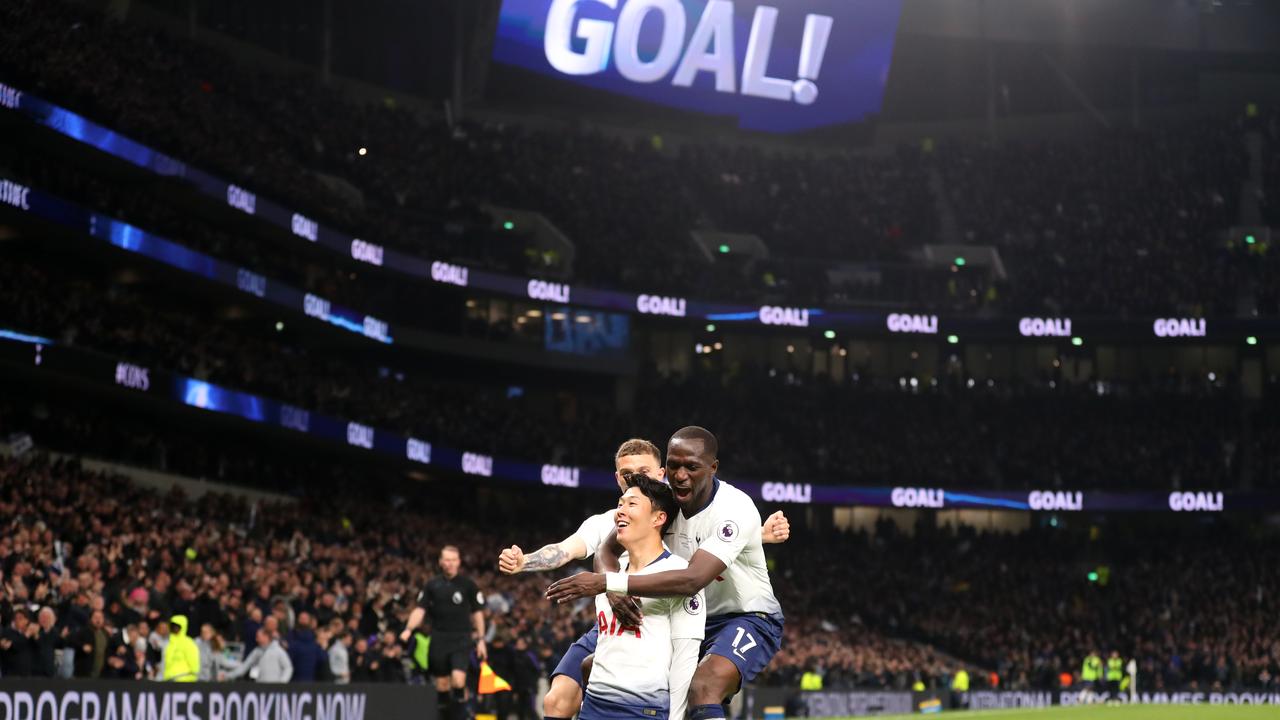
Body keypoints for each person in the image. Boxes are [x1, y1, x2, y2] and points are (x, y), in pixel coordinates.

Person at [499, 438, 790, 720]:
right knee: (569, 687)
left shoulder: (677, 505)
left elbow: (695, 573)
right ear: (618, 478)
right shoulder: (616, 518)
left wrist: (608, 584)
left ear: (659, 475)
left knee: (702, 688)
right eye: (627, 475)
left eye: (644, 473)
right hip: (644, 608)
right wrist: (525, 561)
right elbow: (590, 549)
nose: (635, 480)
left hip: (737, 614)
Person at [580, 474, 704, 720]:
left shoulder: (677, 573)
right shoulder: (608, 576)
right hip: (593, 706)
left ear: (659, 518)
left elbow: (685, 658)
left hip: (643, 710)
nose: (620, 512)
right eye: (620, 504)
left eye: (632, 504)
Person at [401, 546, 487, 720]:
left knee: (458, 680)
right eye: (446, 560)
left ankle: (462, 716)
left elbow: (477, 613)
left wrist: (481, 639)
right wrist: (408, 629)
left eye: (453, 560)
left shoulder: (468, 585)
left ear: (459, 562)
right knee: (442, 684)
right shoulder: (432, 585)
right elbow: (420, 610)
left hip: (461, 638)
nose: (450, 564)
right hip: (439, 638)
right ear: (440, 562)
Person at [224, 628, 293, 683]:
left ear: (266, 637)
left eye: (258, 637)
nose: (256, 639)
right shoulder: (256, 652)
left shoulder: (278, 651)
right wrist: (227, 676)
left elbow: (288, 668)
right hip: (260, 689)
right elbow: (244, 667)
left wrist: (282, 683)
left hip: (275, 689)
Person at [163, 615, 200, 682]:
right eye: (172, 626)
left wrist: (193, 678)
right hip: (168, 680)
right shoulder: (168, 643)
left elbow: (194, 664)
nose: (174, 629)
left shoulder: (188, 643)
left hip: (185, 680)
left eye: (177, 627)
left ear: (182, 627)